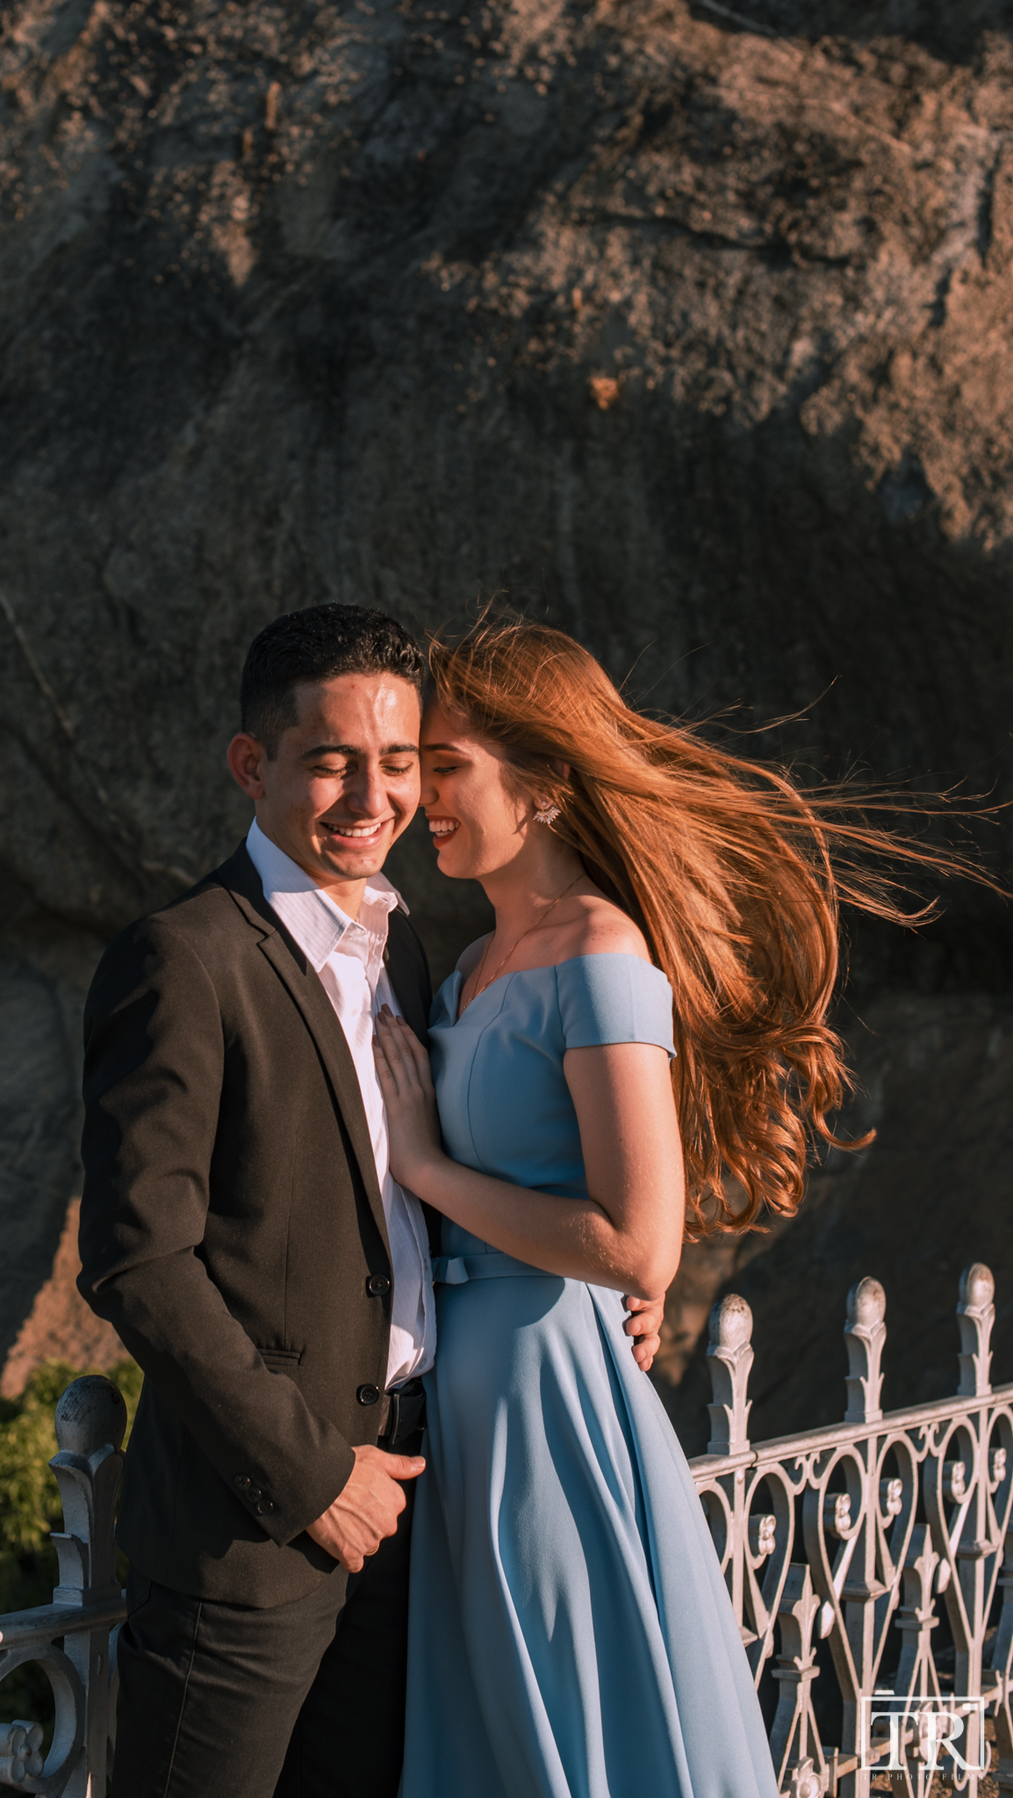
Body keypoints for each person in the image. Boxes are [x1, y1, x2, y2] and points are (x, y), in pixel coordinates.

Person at [373, 617, 985, 1798]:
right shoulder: (464, 971)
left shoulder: (603, 956)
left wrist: (428, 1168)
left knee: (572, 1741)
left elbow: (636, 1239)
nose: (421, 795)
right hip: (472, 1403)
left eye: (445, 765)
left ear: (544, 781)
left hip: (548, 1405)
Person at [77, 603, 666, 1798]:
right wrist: (311, 1476)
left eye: (400, 762)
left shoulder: (407, 955)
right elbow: (139, 1259)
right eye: (333, 760)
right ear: (254, 764)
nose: (374, 796)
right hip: (256, 1529)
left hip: (422, 1505)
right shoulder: (184, 955)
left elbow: (407, 1205)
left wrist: (617, 1282)